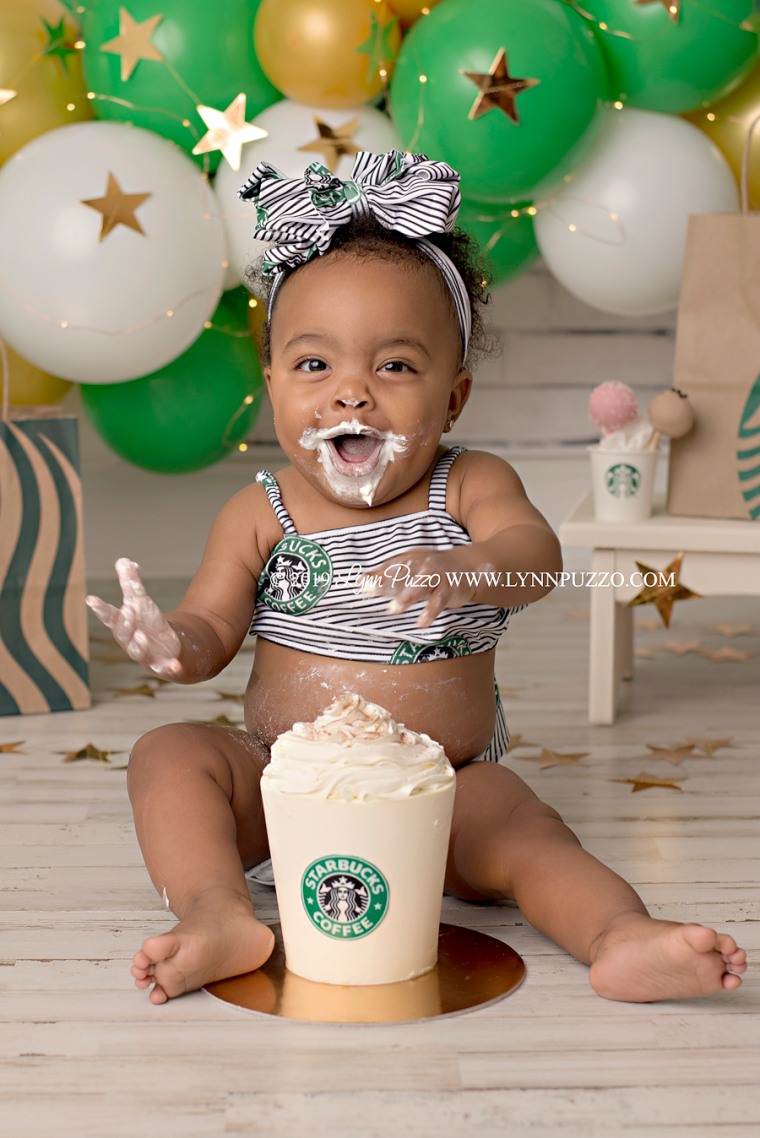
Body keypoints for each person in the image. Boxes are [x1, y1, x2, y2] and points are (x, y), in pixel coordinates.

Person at [87, 151, 746, 1006]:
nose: (351, 394)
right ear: (274, 383)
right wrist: (172, 644)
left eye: (394, 366)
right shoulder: (261, 512)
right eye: (314, 365)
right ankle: (217, 913)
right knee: (168, 753)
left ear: (454, 396)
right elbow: (213, 630)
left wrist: (469, 568)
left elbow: (537, 556)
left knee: (527, 829)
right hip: (286, 782)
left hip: (444, 789)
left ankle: (619, 933)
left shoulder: (467, 486)